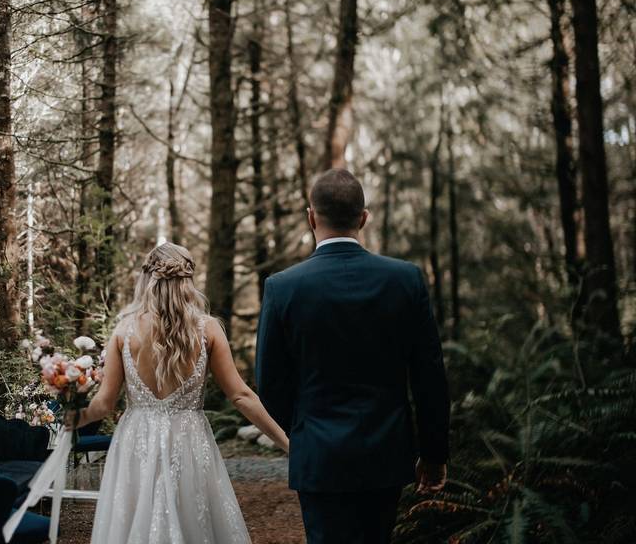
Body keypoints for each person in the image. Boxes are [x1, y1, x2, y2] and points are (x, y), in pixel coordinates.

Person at [256, 168, 450, 544]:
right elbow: (429, 376)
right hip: (386, 452)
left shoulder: (283, 288)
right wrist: (433, 452)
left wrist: (305, 429)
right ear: (363, 218)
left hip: (319, 456)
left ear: (311, 217)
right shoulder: (405, 279)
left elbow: (270, 383)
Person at [67, 242, 289, 543]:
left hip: (137, 442)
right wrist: (287, 443)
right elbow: (241, 396)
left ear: (147, 278)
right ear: (188, 280)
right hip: (188, 439)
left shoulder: (124, 331)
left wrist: (70, 417)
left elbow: (103, 405)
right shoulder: (208, 329)